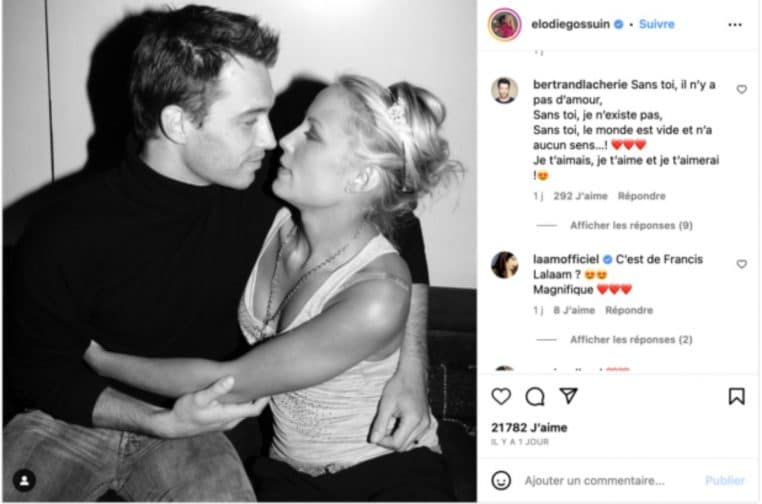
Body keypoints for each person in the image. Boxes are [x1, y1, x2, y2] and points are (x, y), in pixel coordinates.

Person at [4, 6, 432, 501]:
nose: (272, 138)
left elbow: (396, 217)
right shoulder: (65, 227)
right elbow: (36, 367)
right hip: (74, 420)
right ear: (179, 123)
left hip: (204, 433)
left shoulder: (272, 182)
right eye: (249, 120)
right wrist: (153, 419)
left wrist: (411, 369)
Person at [84, 74, 461, 501]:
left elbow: (227, 383)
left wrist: (98, 359)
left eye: (312, 134)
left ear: (361, 178)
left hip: (387, 475)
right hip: (286, 477)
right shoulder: (269, 211)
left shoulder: (377, 292)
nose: (283, 139)